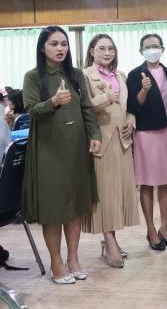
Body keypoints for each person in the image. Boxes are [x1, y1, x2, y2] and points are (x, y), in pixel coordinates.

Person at [22, 26, 101, 284]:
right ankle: (56, 262)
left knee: (76, 205)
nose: (60, 48)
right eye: (54, 44)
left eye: (64, 44)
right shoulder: (33, 77)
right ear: (42, 47)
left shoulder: (76, 75)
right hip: (49, 151)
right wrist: (53, 101)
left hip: (77, 149)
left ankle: (73, 259)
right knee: (54, 208)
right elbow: (32, 110)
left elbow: (87, 109)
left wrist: (95, 135)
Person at [81, 34, 139, 268]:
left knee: (118, 193)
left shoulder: (120, 75)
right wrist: (105, 97)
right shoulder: (85, 75)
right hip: (101, 141)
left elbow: (127, 108)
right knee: (105, 193)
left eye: (111, 49)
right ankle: (109, 240)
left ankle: (110, 240)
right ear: (92, 51)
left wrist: (132, 121)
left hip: (122, 141)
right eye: (102, 48)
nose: (107, 53)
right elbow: (84, 107)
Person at [126, 33, 167, 251]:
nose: (152, 50)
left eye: (155, 46)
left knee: (166, 181)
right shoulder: (134, 75)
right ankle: (150, 230)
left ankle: (164, 228)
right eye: (147, 47)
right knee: (147, 182)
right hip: (146, 133)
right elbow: (133, 106)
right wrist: (144, 89)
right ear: (141, 51)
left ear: (163, 49)